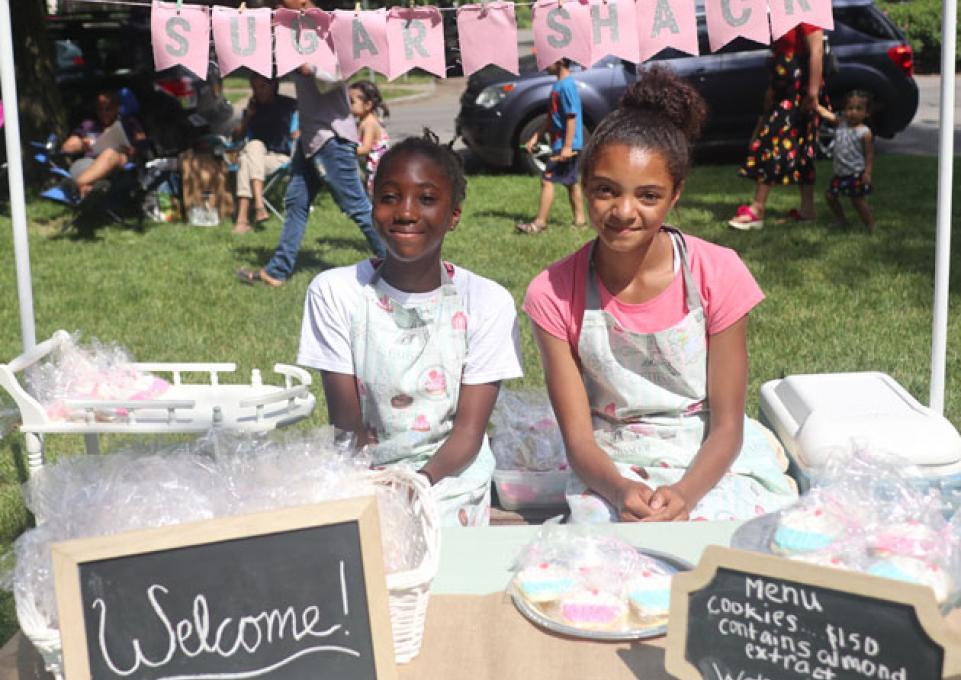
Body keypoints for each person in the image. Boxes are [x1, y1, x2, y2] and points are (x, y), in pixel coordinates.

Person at [523, 66, 798, 523]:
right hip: (611, 462)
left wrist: (686, 495)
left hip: (708, 458)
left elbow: (727, 424)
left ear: (675, 196)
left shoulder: (718, 273)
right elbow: (579, 440)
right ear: (585, 184)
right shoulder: (553, 293)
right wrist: (620, 489)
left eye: (648, 196)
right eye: (606, 191)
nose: (624, 212)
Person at [297, 131, 524, 526]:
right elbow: (348, 427)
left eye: (427, 199)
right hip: (367, 472)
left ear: (454, 215)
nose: (405, 212)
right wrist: (375, 488)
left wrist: (418, 484)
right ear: (372, 207)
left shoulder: (486, 302)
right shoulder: (336, 293)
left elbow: (468, 434)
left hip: (450, 477)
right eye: (389, 197)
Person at [236, 0, 385, 288]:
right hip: (310, 140)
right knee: (296, 203)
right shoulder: (293, 31)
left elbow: (341, 73)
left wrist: (309, 68)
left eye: (283, 2)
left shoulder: (328, 30)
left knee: (357, 206)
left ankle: (399, 267)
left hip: (331, 139)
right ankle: (277, 271)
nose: (278, 5)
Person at [728, 24, 825, 230]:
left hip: (800, 93)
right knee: (802, 149)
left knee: (773, 145)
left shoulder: (805, 9)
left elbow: (816, 50)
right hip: (784, 88)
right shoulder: (778, 13)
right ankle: (807, 210)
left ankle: (758, 208)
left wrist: (813, 92)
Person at [516, 58, 586, 234]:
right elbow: (551, 118)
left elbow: (572, 116)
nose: (543, 65)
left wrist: (568, 146)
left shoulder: (566, 86)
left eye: (547, 60)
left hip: (566, 144)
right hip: (561, 142)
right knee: (571, 182)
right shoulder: (558, 86)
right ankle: (580, 221)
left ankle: (540, 223)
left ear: (560, 60)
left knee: (546, 180)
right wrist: (535, 137)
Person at [232, 73, 298, 235]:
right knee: (253, 147)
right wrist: (247, 118)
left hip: (279, 158)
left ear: (274, 85)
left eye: (262, 87)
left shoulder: (289, 106)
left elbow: (298, 133)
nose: (258, 91)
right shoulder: (253, 108)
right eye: (254, 87)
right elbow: (236, 137)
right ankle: (259, 205)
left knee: (245, 160)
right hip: (258, 158)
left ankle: (242, 219)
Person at [61, 91, 145, 198]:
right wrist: (83, 144)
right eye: (99, 109)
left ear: (117, 108)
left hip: (119, 160)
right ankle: (88, 191)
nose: (103, 113)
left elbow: (142, 142)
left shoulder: (128, 123)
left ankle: (76, 185)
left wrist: (134, 149)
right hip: (92, 162)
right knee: (83, 165)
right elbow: (67, 147)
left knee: (109, 154)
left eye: (108, 109)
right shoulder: (89, 125)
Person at [818, 91, 876, 233]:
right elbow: (826, 113)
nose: (853, 112)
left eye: (858, 109)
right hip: (840, 173)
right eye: (850, 108)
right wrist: (815, 104)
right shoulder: (841, 123)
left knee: (857, 200)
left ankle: (870, 225)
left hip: (855, 173)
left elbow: (869, 155)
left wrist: (867, 173)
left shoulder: (864, 132)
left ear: (866, 113)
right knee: (830, 196)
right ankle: (841, 219)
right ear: (844, 110)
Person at [348, 80, 390, 196]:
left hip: (377, 171)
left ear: (367, 105)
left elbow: (365, 148)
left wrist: (345, 149)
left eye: (352, 102)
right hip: (370, 169)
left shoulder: (369, 124)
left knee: (374, 198)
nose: (348, 105)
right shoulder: (362, 121)